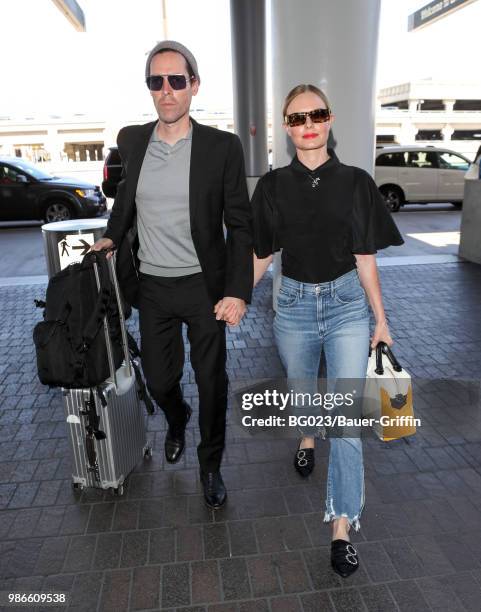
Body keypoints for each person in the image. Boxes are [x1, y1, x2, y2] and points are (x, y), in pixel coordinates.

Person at [92, 40, 253, 509]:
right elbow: (124, 201)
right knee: (161, 381)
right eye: (155, 82)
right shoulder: (133, 139)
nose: (166, 91)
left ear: (194, 86)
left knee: (211, 382)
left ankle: (210, 465)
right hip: (154, 287)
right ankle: (176, 416)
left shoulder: (221, 147)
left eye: (176, 81)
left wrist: (238, 291)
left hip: (205, 287)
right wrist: (110, 236)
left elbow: (239, 225)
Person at [251, 84, 404, 577]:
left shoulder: (356, 182)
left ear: (330, 119)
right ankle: (305, 437)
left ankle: (341, 527)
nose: (307, 124)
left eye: (315, 114)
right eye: (297, 118)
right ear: (287, 127)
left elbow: (365, 257)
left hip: (345, 307)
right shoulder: (272, 187)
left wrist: (381, 319)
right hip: (293, 305)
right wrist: (234, 297)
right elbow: (261, 255)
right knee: (303, 391)